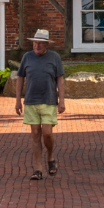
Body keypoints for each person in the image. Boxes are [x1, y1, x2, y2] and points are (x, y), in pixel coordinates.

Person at [15, 29, 65, 181]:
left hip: (49, 100)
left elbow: (60, 79)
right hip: (31, 100)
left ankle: (50, 156)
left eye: (40, 44)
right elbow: (20, 78)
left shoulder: (54, 57)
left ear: (46, 45)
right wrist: (18, 100)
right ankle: (38, 168)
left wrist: (62, 100)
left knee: (47, 133)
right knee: (35, 134)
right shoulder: (27, 57)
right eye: (35, 43)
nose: (36, 46)